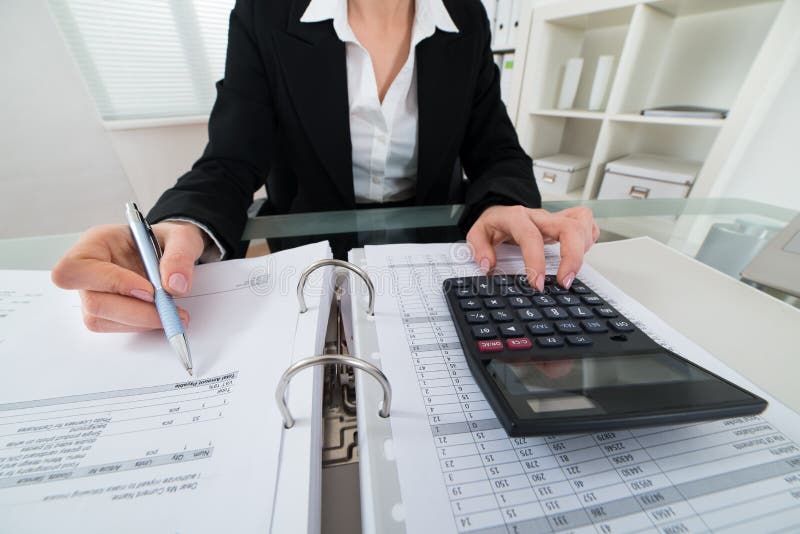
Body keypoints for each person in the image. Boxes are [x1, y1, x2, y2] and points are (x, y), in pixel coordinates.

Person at [51, 0, 598, 334]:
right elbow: (231, 158)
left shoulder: (467, 16)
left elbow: (496, 149)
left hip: (437, 247)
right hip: (312, 250)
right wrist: (178, 226)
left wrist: (504, 202)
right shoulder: (265, 11)